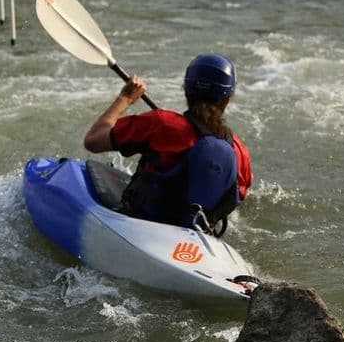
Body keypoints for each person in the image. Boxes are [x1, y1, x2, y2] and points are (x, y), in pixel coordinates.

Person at [83, 54, 252, 235]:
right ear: (227, 99)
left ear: (186, 90)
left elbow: (93, 140)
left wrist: (125, 98)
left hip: (141, 225)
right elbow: (239, 196)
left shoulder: (162, 123)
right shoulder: (239, 150)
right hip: (196, 238)